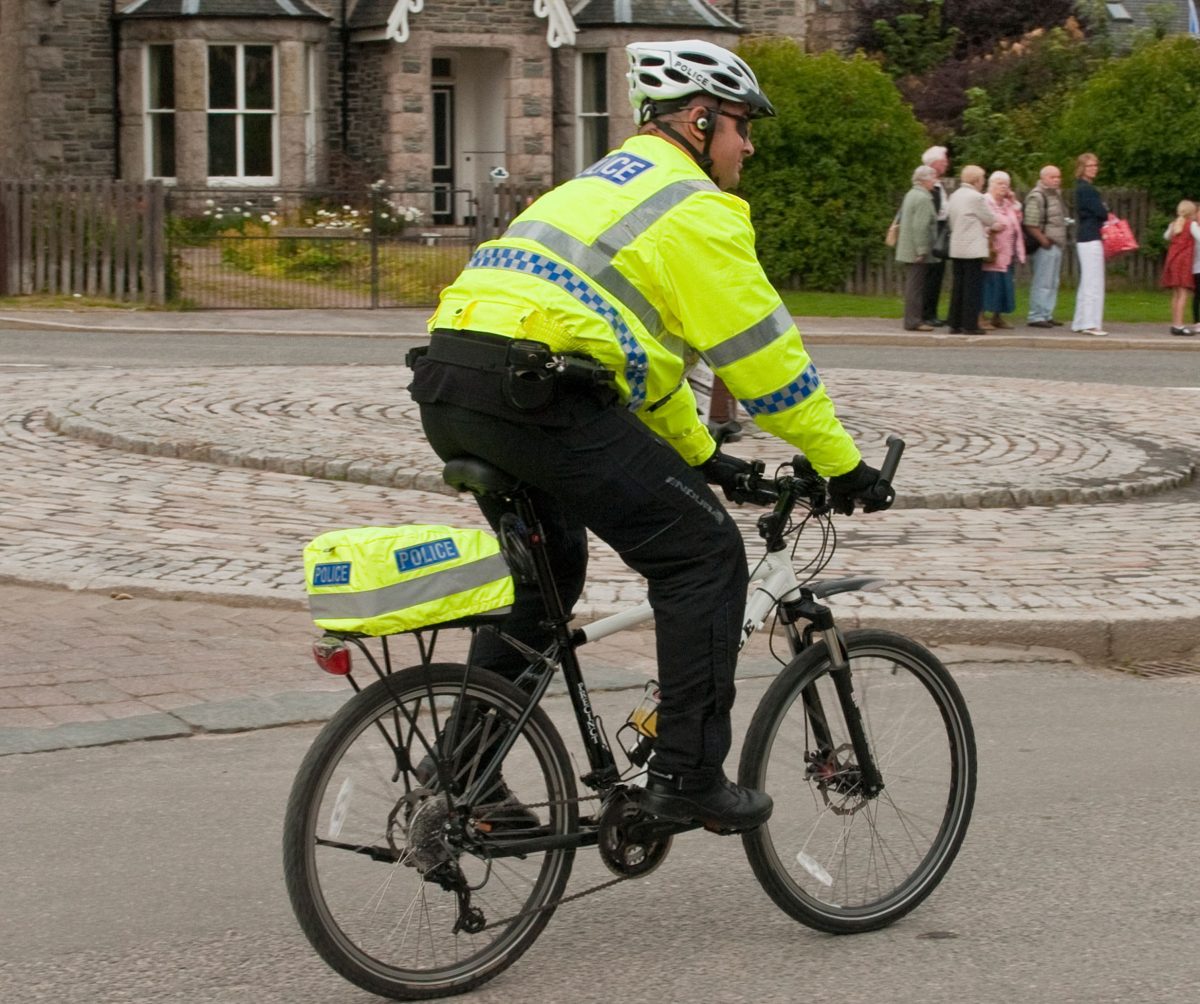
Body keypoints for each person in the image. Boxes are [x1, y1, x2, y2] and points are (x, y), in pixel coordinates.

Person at [408, 39, 894, 834]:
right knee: (702, 556)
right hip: (540, 395)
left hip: (455, 381)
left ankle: (465, 779)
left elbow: (642, 364)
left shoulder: (597, 187)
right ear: (700, 121)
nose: (750, 145)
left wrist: (708, 460)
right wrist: (845, 466)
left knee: (546, 578)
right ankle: (688, 776)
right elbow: (767, 363)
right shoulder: (694, 207)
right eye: (742, 126)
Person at [945, 164, 997, 335]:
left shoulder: (955, 195)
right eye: (982, 179)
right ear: (976, 180)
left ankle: (955, 322)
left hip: (957, 245)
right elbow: (989, 218)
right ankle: (970, 324)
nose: (983, 182)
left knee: (958, 286)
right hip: (973, 247)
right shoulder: (976, 197)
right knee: (972, 287)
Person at [1023, 165, 1068, 328]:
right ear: (1043, 178)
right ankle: (1036, 315)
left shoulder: (1055, 195)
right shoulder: (1037, 196)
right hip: (1045, 245)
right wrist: (1043, 240)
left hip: (1056, 243)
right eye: (1052, 177)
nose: (1056, 180)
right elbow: (1030, 222)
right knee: (1042, 281)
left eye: (1058, 177)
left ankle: (1047, 313)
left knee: (1053, 281)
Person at [980, 170, 1025, 330]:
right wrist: (991, 227)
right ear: (991, 185)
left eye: (1006, 184)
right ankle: (981, 316)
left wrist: (1014, 202)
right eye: (1000, 183)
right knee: (989, 283)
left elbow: (1017, 221)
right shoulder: (984, 201)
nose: (1004, 187)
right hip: (992, 250)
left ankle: (997, 317)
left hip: (1008, 250)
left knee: (1004, 285)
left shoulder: (1007, 205)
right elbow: (979, 221)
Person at [895, 165, 938, 331]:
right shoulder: (923, 198)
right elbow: (920, 226)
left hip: (908, 248)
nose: (935, 180)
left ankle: (912, 319)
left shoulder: (911, 194)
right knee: (916, 287)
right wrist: (922, 250)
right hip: (915, 250)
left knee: (914, 285)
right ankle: (914, 321)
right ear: (924, 179)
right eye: (933, 177)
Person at [1071, 152, 1108, 337]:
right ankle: (1090, 323)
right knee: (1093, 281)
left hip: (1085, 236)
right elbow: (1101, 212)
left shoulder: (1082, 188)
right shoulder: (1087, 190)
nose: (1093, 169)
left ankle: (1081, 321)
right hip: (1091, 236)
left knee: (1087, 281)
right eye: (1089, 166)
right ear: (1082, 168)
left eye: (1095, 165)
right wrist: (1104, 209)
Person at [920, 146, 951, 327]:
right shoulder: (929, 187)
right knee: (930, 275)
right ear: (934, 163)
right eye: (943, 160)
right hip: (933, 232)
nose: (946, 163)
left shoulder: (938, 185)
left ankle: (932, 312)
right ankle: (926, 313)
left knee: (937, 275)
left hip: (940, 231)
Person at [1161, 200, 1197, 336]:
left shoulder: (1174, 224)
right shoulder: (1191, 225)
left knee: (1176, 294)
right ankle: (1180, 325)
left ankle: (1175, 323)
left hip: (1173, 261)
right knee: (1183, 294)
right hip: (1184, 262)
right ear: (1192, 213)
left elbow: (1165, 237)